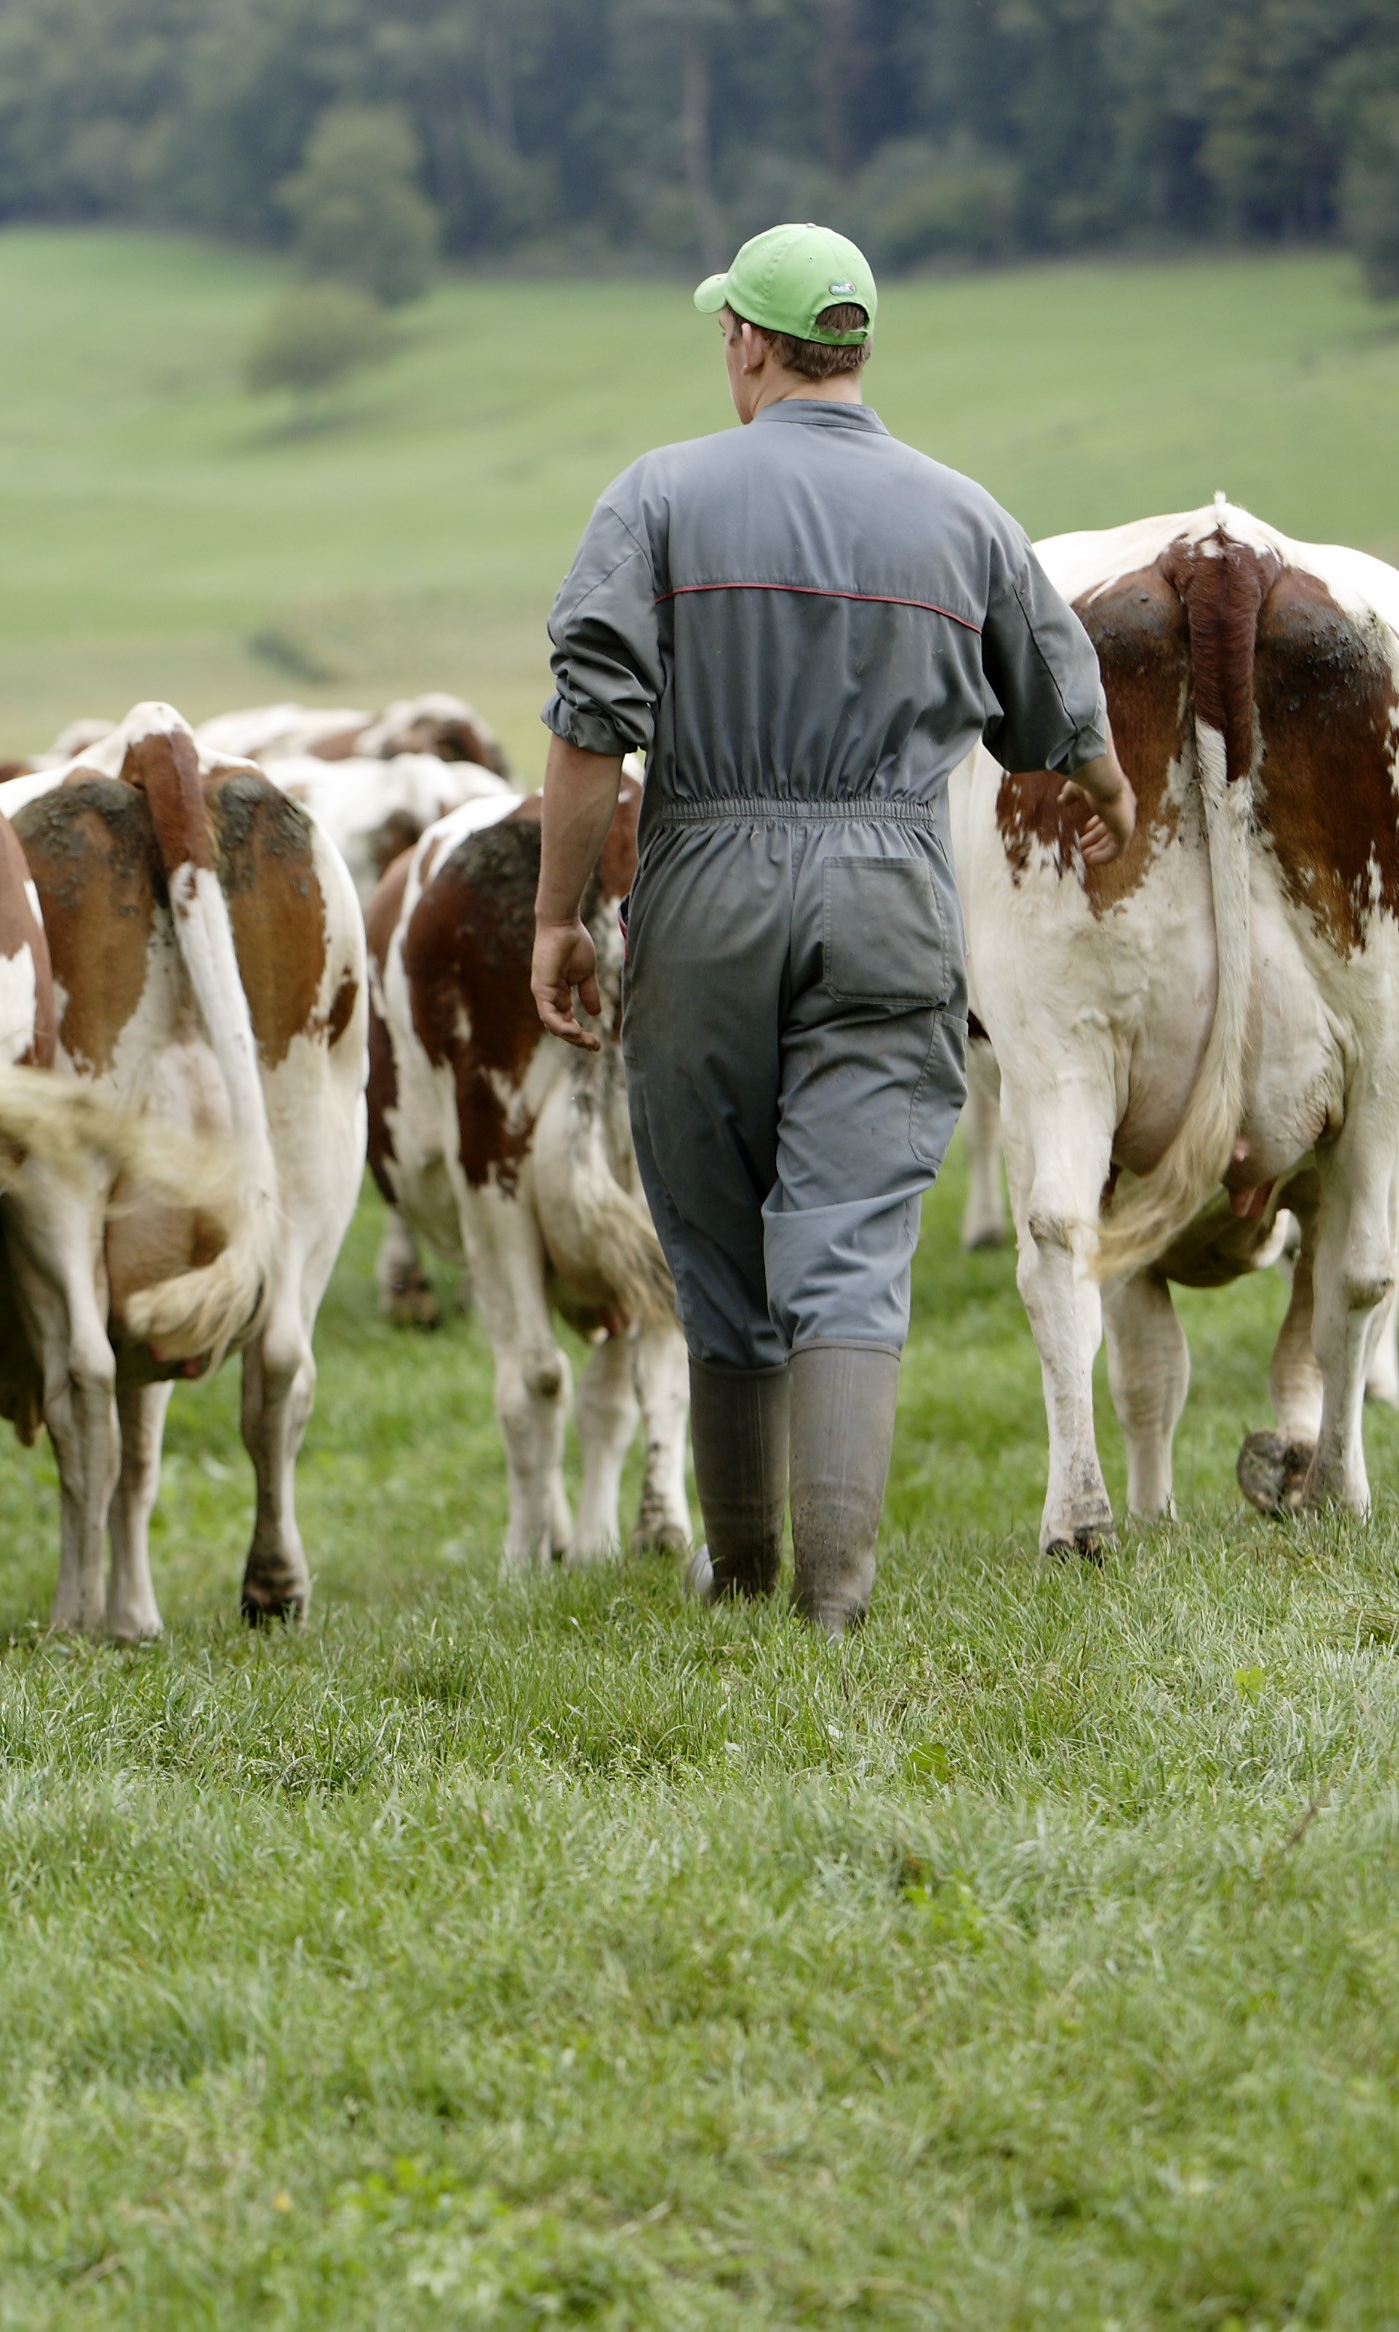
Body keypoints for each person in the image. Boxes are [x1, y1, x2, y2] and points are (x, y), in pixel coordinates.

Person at [527, 223, 1135, 1634]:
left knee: (716, 1227)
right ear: (856, 346)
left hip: (705, 884)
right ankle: (838, 1594)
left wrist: (562, 916)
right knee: (853, 1233)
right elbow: (1062, 701)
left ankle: (739, 1567)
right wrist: (1104, 797)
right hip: (887, 888)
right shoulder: (964, 515)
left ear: (748, 340)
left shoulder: (657, 498)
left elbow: (588, 732)